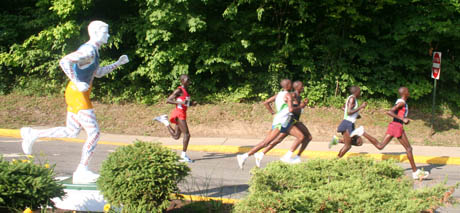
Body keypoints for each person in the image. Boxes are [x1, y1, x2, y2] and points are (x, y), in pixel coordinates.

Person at [20, 20, 129, 184]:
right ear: (96, 32)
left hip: (77, 93)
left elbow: (97, 73)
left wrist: (117, 64)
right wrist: (77, 81)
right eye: (105, 32)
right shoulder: (88, 51)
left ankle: (33, 134)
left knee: (71, 131)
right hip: (78, 95)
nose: (108, 35)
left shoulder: (94, 52)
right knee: (94, 133)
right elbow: (64, 61)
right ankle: (82, 170)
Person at [361, 87, 429, 180]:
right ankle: (415, 172)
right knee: (409, 148)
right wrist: (402, 119)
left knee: (380, 146)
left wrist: (403, 119)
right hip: (397, 126)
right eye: (408, 91)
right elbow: (389, 112)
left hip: (394, 125)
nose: (409, 92)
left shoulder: (401, 102)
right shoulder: (401, 102)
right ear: (404, 93)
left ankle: (362, 132)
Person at [236, 79, 307, 169]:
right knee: (266, 142)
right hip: (281, 122)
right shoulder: (288, 95)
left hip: (285, 121)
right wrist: (301, 106)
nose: (291, 84)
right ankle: (243, 156)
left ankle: (286, 157)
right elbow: (291, 110)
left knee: (301, 136)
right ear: (288, 85)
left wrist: (273, 113)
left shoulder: (279, 94)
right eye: (290, 83)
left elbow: (266, 103)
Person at [256, 81, 312, 165]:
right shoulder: (293, 95)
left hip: (295, 120)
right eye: (302, 86)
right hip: (290, 121)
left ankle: (296, 157)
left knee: (307, 137)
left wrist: (303, 105)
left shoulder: (298, 96)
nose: (303, 87)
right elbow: (291, 108)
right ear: (296, 87)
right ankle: (287, 157)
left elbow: (298, 110)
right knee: (300, 137)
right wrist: (300, 106)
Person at [154, 74, 194, 163]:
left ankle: (165, 121)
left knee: (176, 136)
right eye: (187, 79)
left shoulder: (186, 90)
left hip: (182, 113)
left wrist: (191, 104)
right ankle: (183, 156)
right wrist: (181, 102)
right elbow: (168, 100)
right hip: (179, 114)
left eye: (189, 79)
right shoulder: (179, 90)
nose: (188, 81)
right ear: (182, 81)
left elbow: (185, 103)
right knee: (187, 135)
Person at [329, 86, 367, 157]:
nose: (360, 93)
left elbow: (344, 108)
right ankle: (336, 160)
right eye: (359, 91)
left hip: (350, 123)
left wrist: (355, 115)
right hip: (347, 124)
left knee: (359, 142)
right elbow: (349, 112)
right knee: (347, 146)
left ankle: (337, 140)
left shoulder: (352, 98)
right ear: (356, 92)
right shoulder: (352, 99)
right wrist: (361, 107)